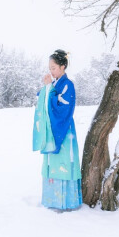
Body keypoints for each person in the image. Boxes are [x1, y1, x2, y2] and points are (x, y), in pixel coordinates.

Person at [32, 49, 82, 212]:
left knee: (65, 161)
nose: (51, 71)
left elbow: (62, 108)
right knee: (53, 162)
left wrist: (48, 89)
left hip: (64, 129)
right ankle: (53, 200)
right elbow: (43, 98)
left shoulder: (68, 85)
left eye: (54, 68)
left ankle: (66, 201)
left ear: (62, 67)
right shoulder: (55, 84)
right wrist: (47, 88)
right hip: (53, 130)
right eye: (50, 68)